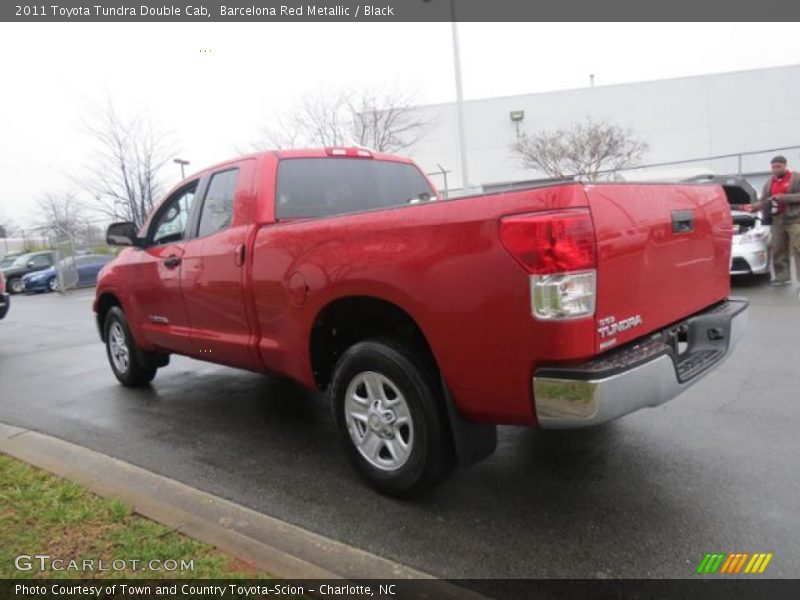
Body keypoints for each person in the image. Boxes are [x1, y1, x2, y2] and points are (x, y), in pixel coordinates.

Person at [749, 156, 800, 286]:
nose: (776, 169)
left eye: (779, 167)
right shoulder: (769, 182)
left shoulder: (796, 178)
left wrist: (785, 198)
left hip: (795, 220)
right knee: (778, 249)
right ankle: (782, 277)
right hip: (777, 220)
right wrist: (755, 206)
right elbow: (765, 200)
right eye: (773, 167)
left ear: (785, 166)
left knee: (798, 248)